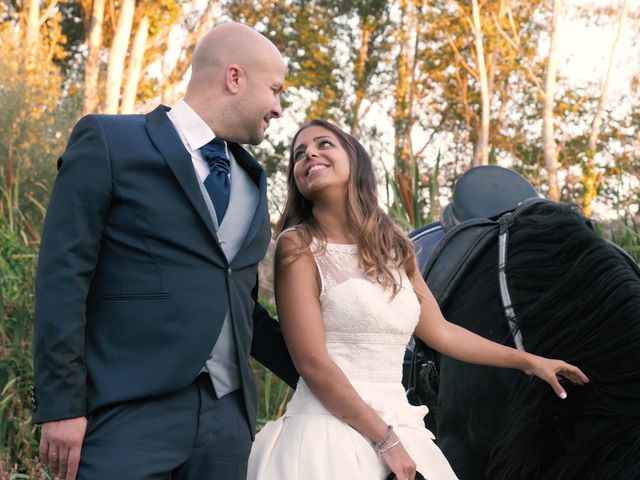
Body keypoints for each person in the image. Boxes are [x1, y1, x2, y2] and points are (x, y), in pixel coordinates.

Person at [247, 119, 590, 480]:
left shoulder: (394, 247)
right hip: (326, 432)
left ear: (355, 160)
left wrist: (529, 361)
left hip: (401, 423)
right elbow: (313, 363)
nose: (309, 154)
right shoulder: (297, 245)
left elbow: (441, 332)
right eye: (299, 154)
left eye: (323, 144)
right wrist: (385, 441)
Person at [32, 22, 298, 480]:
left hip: (226, 425)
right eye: (275, 90)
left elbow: (242, 309)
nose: (278, 108)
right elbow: (63, 278)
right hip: (125, 416)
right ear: (234, 78)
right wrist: (61, 405)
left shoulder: (254, 182)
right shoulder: (111, 142)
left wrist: (330, 380)